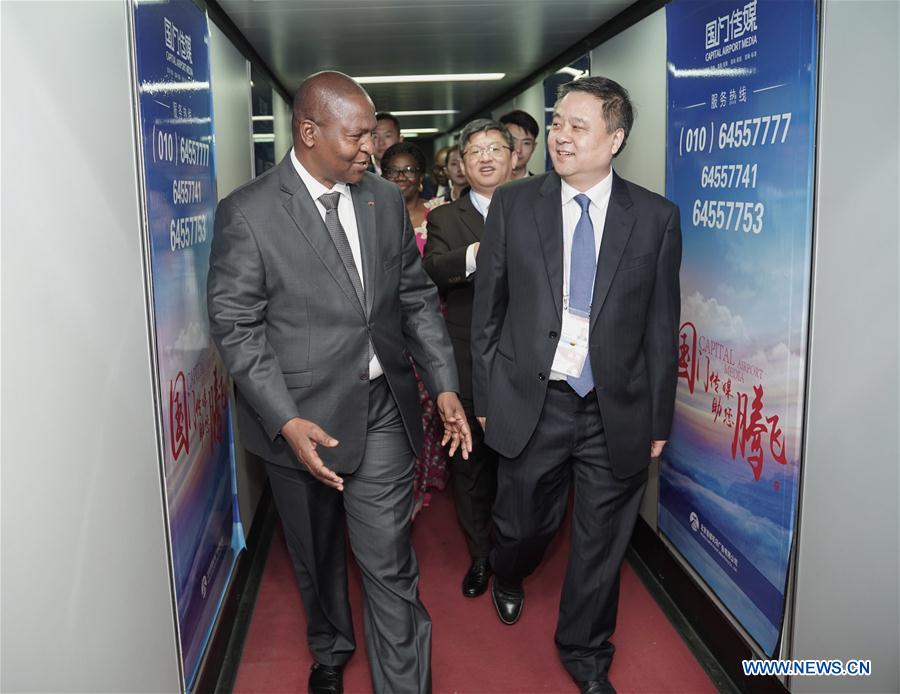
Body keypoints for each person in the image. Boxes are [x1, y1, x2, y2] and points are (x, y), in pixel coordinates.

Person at [208, 70, 471, 694]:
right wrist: (285, 418)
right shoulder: (247, 213)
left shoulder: (381, 201)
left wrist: (444, 384)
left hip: (381, 405)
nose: (369, 150)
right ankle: (330, 647)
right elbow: (237, 328)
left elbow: (413, 300)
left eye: (372, 137)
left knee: (388, 564)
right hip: (298, 418)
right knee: (317, 553)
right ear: (308, 132)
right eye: (356, 138)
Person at [471, 76, 681, 694]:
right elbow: (487, 314)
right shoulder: (515, 205)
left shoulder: (655, 218)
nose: (559, 136)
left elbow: (662, 329)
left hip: (616, 407)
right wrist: (486, 400)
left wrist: (659, 421)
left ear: (614, 139)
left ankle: (586, 651)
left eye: (576, 126)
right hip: (534, 400)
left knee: (601, 542)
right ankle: (508, 567)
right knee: (522, 524)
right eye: (557, 123)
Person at [422, 119, 517, 599]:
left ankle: (512, 556)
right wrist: (483, 250)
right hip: (466, 362)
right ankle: (481, 554)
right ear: (461, 162)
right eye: (475, 150)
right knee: (471, 465)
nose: (485, 157)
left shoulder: (541, 207)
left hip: (525, 362)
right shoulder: (446, 218)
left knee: (519, 467)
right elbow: (435, 269)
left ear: (513, 155)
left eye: (495, 148)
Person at [381, 141, 450, 515]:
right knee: (398, 408)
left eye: (408, 171)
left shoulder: (437, 215)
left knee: (427, 407)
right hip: (389, 330)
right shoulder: (374, 214)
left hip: (428, 323)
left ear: (421, 177)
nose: (401, 178)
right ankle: (400, 479)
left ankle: (420, 478)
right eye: (393, 172)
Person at [499, 109, 540, 179]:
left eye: (526, 143)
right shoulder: (485, 185)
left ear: (533, 147)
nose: (518, 150)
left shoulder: (543, 187)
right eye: (513, 141)